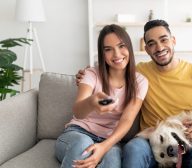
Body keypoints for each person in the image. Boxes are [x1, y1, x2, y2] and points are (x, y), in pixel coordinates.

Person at [76, 20, 192, 168]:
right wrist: (86, 75)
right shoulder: (139, 73)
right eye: (151, 43)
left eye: (164, 40)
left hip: (189, 141)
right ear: (147, 49)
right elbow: (114, 66)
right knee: (133, 148)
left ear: (173, 41)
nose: (159, 47)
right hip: (151, 141)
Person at [55, 24, 148, 168]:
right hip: (78, 133)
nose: (117, 54)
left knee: (113, 158)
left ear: (129, 47)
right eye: (108, 49)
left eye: (121, 46)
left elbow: (127, 120)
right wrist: (92, 101)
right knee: (83, 145)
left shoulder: (140, 81)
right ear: (102, 54)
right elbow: (78, 112)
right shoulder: (91, 74)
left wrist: (103, 147)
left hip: (109, 140)